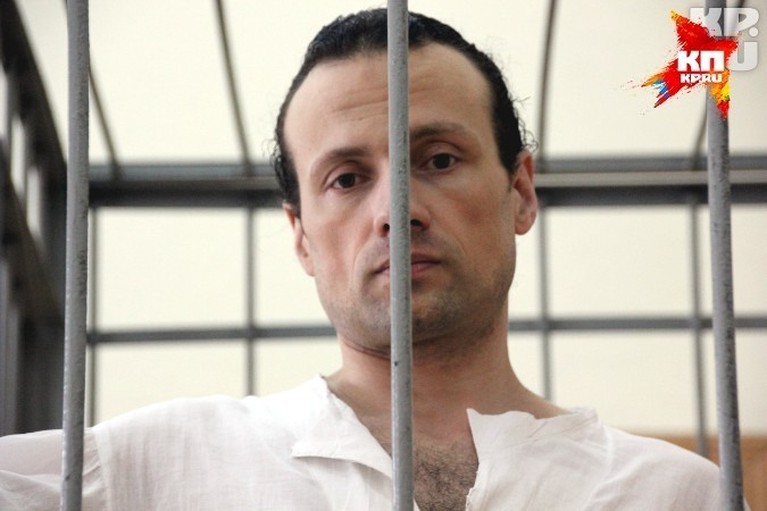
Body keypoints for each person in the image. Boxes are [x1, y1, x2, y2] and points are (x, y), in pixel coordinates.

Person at [0, 8, 728, 511]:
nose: (395, 209)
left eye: (438, 159)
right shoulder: (157, 465)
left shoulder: (674, 493)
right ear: (300, 236)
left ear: (520, 191)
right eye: (346, 179)